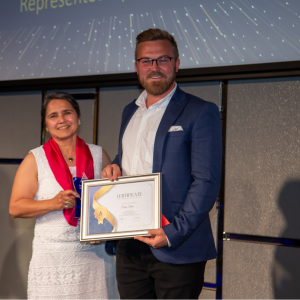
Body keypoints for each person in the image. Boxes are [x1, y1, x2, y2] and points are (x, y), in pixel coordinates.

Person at [101, 28, 222, 299]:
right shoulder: (129, 111)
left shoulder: (201, 111)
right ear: (137, 67)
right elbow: (129, 158)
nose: (154, 67)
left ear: (177, 64)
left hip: (177, 245)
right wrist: (116, 167)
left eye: (163, 59)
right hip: (130, 246)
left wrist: (172, 233)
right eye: (147, 61)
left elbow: (207, 182)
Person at [9, 91, 118, 299]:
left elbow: (111, 201)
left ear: (78, 118)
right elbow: (15, 207)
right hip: (52, 259)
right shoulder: (35, 159)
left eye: (67, 113)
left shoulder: (98, 154)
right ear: (46, 125)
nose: (61, 120)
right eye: (53, 116)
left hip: (96, 257)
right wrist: (52, 203)